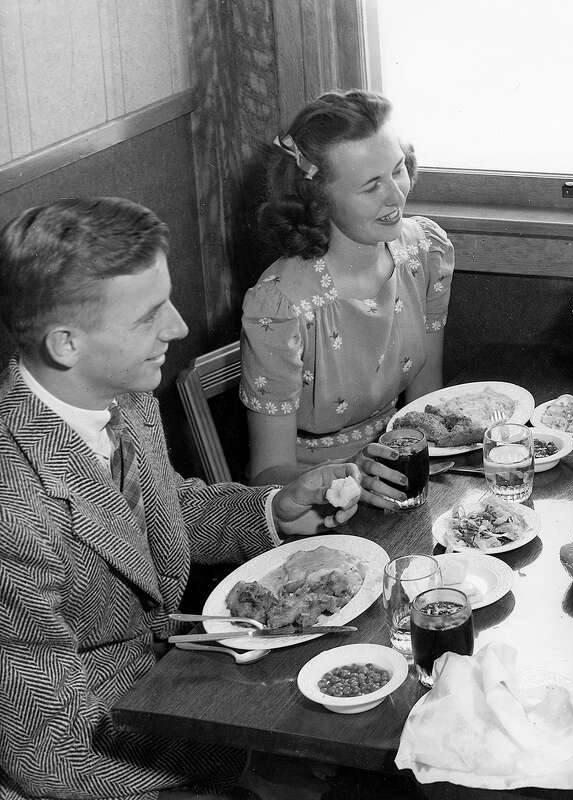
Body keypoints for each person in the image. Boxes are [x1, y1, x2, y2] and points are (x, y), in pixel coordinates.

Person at [0, 197, 361, 799]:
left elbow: (158, 515)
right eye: (148, 316)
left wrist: (275, 509)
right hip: (104, 760)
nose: (178, 326)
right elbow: (51, 756)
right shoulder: (9, 506)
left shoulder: (120, 389)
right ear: (66, 343)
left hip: (176, 690)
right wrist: (245, 768)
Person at [241, 89, 454, 508]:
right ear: (318, 200)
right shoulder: (281, 306)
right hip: (318, 506)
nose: (395, 195)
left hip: (402, 483)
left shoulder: (424, 252)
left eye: (397, 170)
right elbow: (265, 479)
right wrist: (357, 475)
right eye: (371, 186)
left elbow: (426, 408)